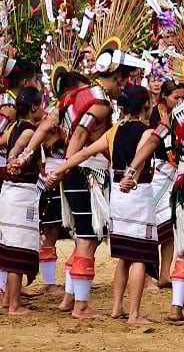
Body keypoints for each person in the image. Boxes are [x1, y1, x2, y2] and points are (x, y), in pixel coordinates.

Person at [46, 43, 151, 319]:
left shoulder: (78, 93)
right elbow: (80, 133)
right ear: (118, 78)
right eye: (125, 81)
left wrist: (62, 167)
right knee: (89, 238)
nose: (124, 89)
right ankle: (81, 306)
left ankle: (70, 298)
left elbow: (52, 125)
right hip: (86, 174)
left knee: (83, 236)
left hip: (76, 170)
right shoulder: (100, 103)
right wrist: (68, 167)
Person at [0, 87, 44, 315]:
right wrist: (16, 161)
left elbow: (7, 151)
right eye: (41, 105)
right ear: (34, 107)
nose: (43, 110)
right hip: (20, 194)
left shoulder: (15, 127)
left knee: (9, 247)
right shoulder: (27, 131)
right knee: (17, 250)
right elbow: (15, 152)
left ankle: (6, 299)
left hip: (11, 193)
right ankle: (14, 305)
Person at [147, 80, 184, 289]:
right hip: (157, 172)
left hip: (176, 173)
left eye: (183, 98)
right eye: (176, 98)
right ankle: (145, 275)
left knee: (170, 226)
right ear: (164, 96)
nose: (180, 101)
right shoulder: (154, 115)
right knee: (152, 225)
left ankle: (165, 274)